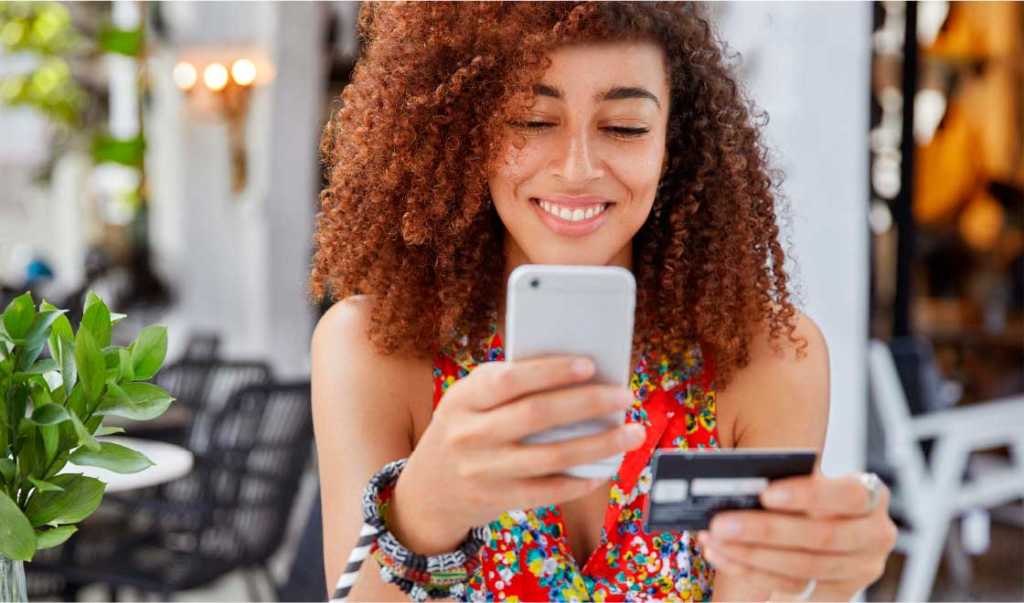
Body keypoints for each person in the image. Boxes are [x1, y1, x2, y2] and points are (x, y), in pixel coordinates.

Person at [310, 3, 897, 601]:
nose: (578, 169)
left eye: (625, 127)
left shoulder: (769, 360)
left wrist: (825, 582)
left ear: (675, 142)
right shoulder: (372, 348)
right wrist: (423, 513)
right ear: (464, 127)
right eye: (532, 121)